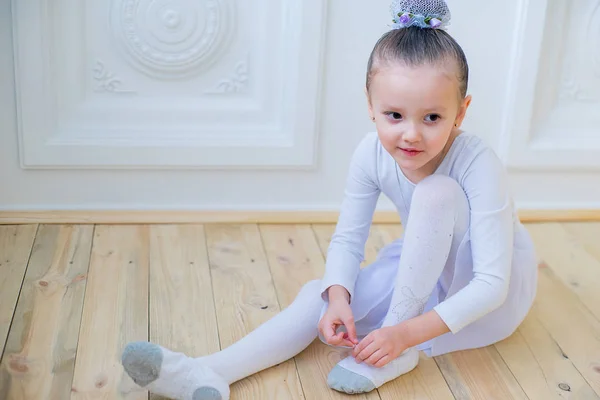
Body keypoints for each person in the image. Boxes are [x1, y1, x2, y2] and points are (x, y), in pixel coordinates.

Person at [118, 0, 538, 398]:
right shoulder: (369, 154)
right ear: (371, 106)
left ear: (460, 113)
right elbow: (348, 238)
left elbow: (491, 285)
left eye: (432, 117)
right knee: (318, 293)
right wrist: (339, 296)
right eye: (395, 115)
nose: (411, 134)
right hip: (422, 262)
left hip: (481, 289)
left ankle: (396, 348)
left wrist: (402, 333)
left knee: (436, 191)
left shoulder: (478, 162)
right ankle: (211, 370)